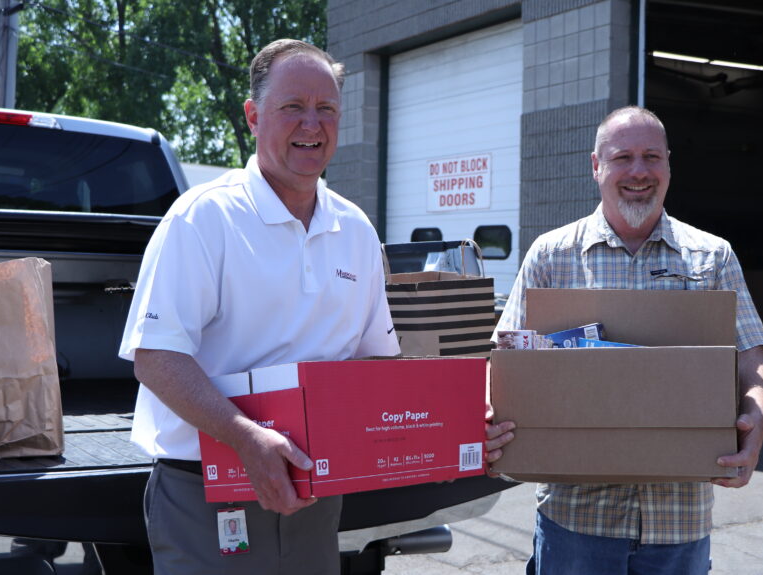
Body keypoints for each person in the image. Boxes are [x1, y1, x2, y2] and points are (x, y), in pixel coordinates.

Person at [118, 38, 514, 575]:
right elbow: (156, 357)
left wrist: (460, 425)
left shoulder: (353, 229)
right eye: (293, 108)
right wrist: (246, 437)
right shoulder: (204, 219)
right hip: (210, 492)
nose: (312, 124)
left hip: (318, 494)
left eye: (326, 109)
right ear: (254, 117)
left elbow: (378, 366)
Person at [493, 106, 763, 575]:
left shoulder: (712, 256)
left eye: (652, 157)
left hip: (678, 524)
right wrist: (490, 415)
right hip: (575, 522)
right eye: (623, 157)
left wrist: (756, 421)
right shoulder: (552, 256)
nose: (640, 172)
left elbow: (754, 359)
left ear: (669, 165)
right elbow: (503, 361)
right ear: (596, 166)